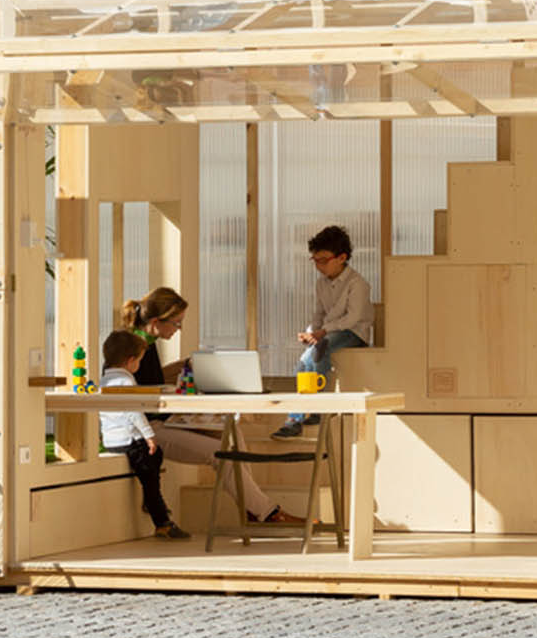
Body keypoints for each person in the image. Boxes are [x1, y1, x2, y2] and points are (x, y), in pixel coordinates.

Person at [123, 287, 297, 525]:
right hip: (147, 430)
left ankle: (252, 507)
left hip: (160, 420)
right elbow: (132, 390)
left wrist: (183, 366)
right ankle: (266, 512)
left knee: (231, 434)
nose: (178, 329)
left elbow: (150, 380)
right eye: (176, 324)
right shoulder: (132, 347)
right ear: (156, 321)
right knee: (222, 455)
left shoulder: (148, 344)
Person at [272, 225, 373, 439]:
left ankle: (297, 418)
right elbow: (318, 314)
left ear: (342, 257)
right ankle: (312, 411)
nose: (318, 266)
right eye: (315, 260)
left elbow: (352, 319)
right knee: (303, 362)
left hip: (353, 334)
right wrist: (311, 332)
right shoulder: (321, 284)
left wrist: (321, 333)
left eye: (323, 260)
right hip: (328, 334)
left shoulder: (358, 284)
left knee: (318, 351)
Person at [99, 329, 189, 539]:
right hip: (131, 440)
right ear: (131, 361)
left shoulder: (104, 381)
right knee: (152, 473)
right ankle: (162, 521)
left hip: (112, 441)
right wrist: (149, 435)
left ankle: (154, 505)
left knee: (153, 463)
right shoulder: (127, 382)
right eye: (139, 360)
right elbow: (135, 412)